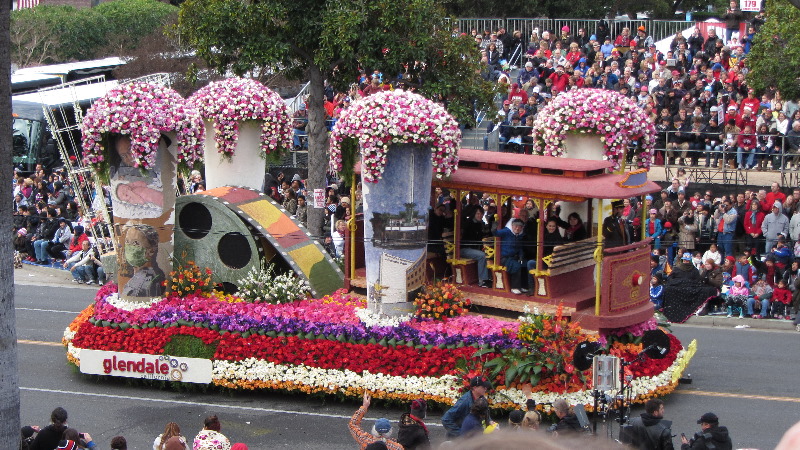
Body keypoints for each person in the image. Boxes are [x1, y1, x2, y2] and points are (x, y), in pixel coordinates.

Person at [120, 223, 165, 298]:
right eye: (127, 241)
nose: (130, 247)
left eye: (136, 243)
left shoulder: (138, 286)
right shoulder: (151, 274)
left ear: (151, 250)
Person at [460, 208, 492, 288]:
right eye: (478, 213)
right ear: (474, 214)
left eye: (481, 214)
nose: (480, 215)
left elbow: (484, 235)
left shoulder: (481, 223)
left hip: (474, 249)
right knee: (482, 256)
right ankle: (482, 280)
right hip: (464, 249)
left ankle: (490, 277)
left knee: (489, 254)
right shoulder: (469, 223)